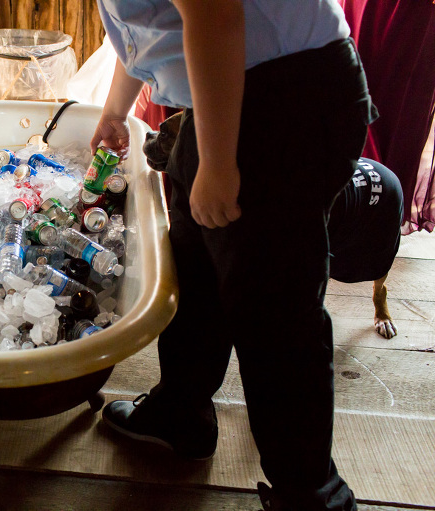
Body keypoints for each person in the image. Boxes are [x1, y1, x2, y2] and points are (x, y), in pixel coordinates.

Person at [89, 2, 378, 510]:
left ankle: (311, 496)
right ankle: (182, 413)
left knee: (273, 309)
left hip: (288, 95)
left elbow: (215, 11)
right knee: (193, 260)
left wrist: (219, 165)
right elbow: (148, 24)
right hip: (229, 90)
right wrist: (116, 109)